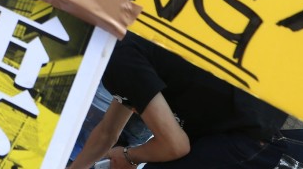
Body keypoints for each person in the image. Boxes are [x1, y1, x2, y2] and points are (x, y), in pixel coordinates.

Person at [68, 33, 288, 169]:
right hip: (241, 119)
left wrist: (129, 156)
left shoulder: (121, 60)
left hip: (252, 133)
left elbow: (176, 145)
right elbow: (107, 132)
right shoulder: (125, 51)